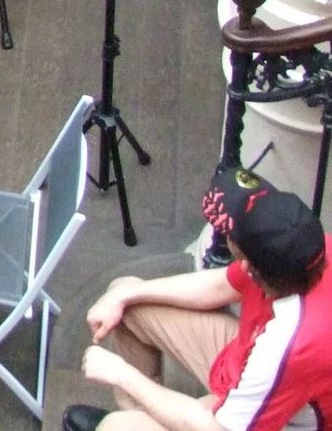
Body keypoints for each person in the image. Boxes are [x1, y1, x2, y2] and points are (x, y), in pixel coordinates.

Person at [64, 164, 332, 431]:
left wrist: (123, 375)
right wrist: (125, 294)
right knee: (128, 300)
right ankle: (146, 417)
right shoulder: (308, 251)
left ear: (253, 268)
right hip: (253, 358)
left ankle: (133, 423)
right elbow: (219, 286)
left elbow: (218, 429)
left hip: (278, 414)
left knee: (115, 427)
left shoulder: (287, 345)